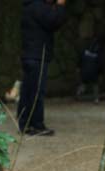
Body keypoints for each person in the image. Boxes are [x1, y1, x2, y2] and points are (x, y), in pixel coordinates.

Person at [18, 0, 68, 136]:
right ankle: (37, 125)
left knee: (27, 91)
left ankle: (24, 123)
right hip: (37, 55)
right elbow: (53, 22)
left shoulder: (29, 5)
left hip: (30, 54)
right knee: (37, 92)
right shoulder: (37, 7)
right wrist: (60, 6)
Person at [75, 38, 102, 103]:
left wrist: (78, 69)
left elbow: (79, 62)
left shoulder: (84, 53)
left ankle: (78, 93)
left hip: (84, 72)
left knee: (83, 84)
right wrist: (100, 73)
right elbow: (100, 65)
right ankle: (96, 98)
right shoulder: (97, 55)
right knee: (95, 85)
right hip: (94, 73)